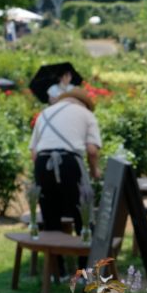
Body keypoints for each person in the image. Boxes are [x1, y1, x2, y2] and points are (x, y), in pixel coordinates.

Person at [29, 88, 101, 275]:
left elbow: (34, 153)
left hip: (43, 163)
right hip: (70, 162)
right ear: (84, 104)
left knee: (50, 218)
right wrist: (95, 172)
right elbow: (92, 150)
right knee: (83, 217)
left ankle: (57, 271)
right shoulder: (86, 115)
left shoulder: (44, 113)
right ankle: (85, 271)